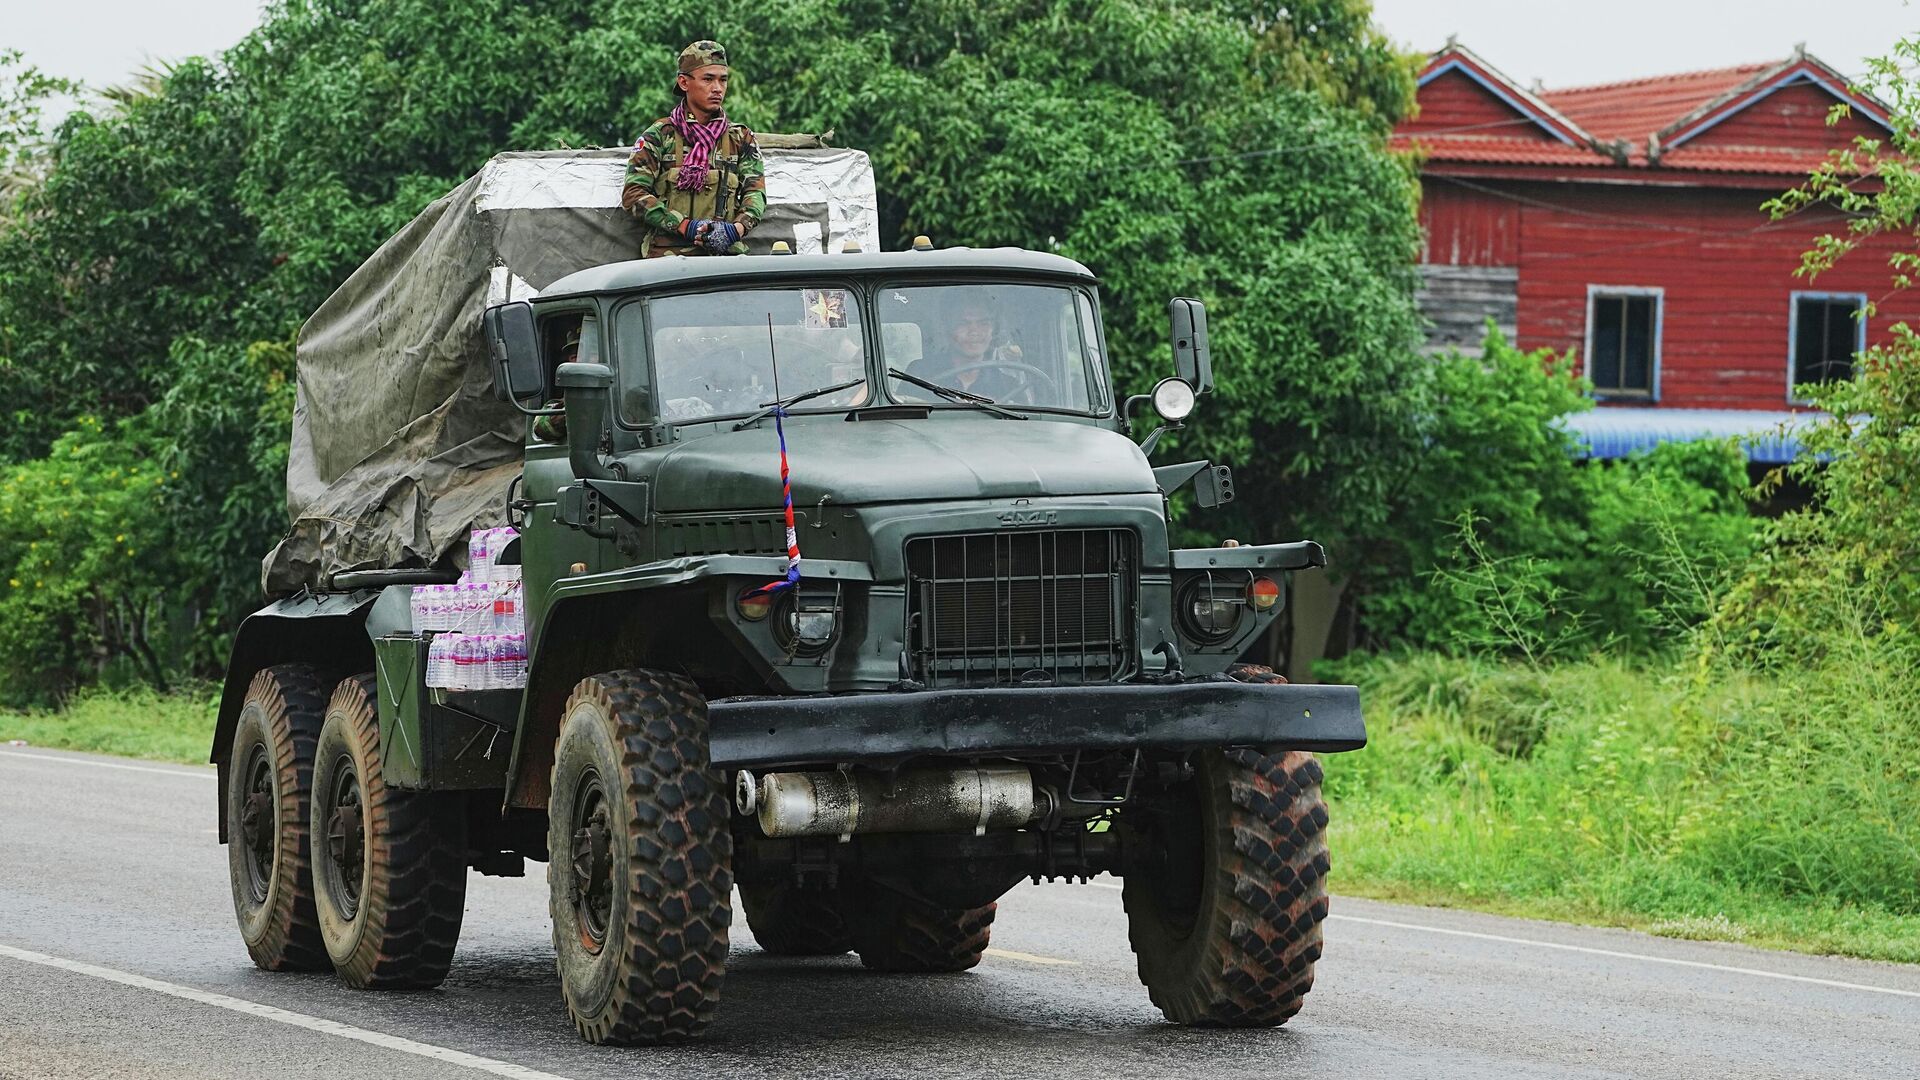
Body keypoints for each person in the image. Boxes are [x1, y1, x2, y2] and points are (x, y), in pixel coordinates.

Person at [621, 40, 766, 258]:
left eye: (723, 80)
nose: (717, 88)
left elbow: (755, 194)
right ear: (684, 82)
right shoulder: (660, 136)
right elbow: (634, 194)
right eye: (708, 79)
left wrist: (734, 230)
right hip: (668, 257)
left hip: (725, 255)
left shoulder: (740, 138)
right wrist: (684, 226)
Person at [906, 297, 1030, 402]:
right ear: (948, 329)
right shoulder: (919, 374)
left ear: (993, 331)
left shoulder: (1009, 387)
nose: (974, 332)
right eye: (963, 323)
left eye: (983, 323)